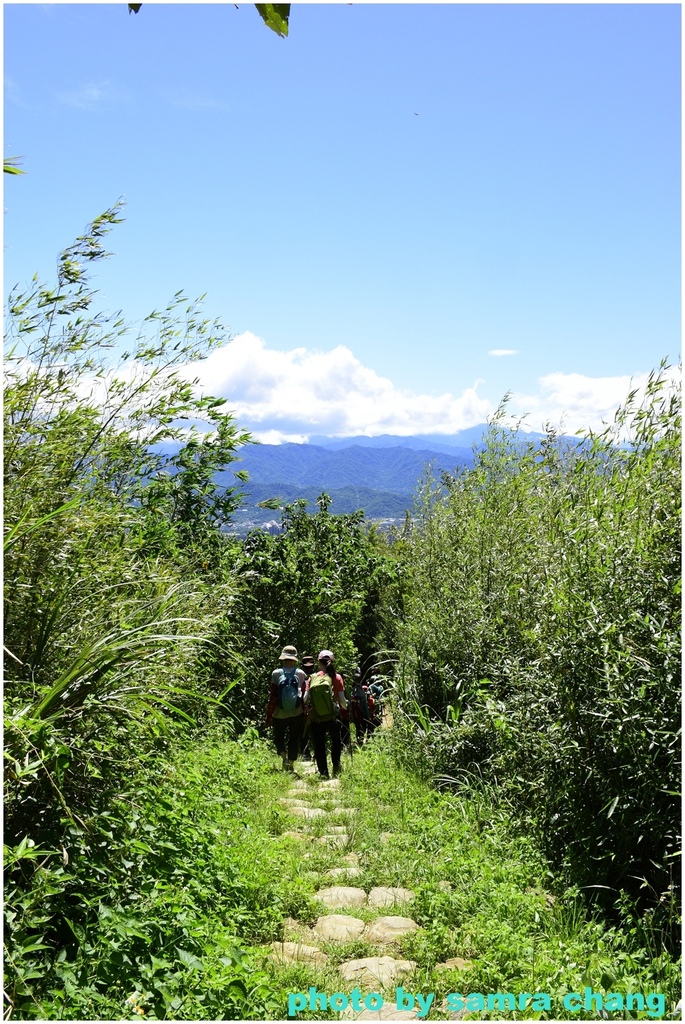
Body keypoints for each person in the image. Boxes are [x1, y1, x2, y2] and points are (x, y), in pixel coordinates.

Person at [304, 650, 347, 778]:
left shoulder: (312, 678)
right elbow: (343, 702)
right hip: (333, 716)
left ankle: (323, 773)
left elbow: (305, 699)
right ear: (332, 662)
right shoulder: (337, 677)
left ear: (318, 662)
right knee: (336, 741)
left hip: (317, 718)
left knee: (319, 744)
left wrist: (310, 709)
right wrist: (346, 706)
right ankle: (336, 767)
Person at [265, 645, 307, 771]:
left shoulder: (276, 673)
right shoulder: (300, 673)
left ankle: (284, 759)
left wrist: (269, 715)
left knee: (279, 737)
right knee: (294, 738)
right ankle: (291, 764)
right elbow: (304, 694)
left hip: (280, 713)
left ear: (283, 658)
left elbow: (273, 696)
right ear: (295, 659)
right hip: (297, 712)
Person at [299, 654, 317, 761]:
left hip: (303, 708)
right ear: (313, 665)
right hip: (315, 709)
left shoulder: (301, 677)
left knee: (303, 733)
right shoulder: (317, 676)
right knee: (316, 732)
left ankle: (306, 754)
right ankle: (317, 753)